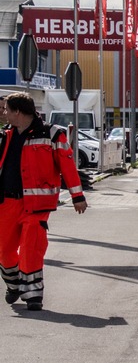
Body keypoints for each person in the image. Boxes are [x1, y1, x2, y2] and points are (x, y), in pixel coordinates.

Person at [0, 91, 88, 311]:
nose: (4, 113)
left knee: (31, 248)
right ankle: (15, 285)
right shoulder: (5, 135)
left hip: (36, 205)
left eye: (6, 109)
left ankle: (33, 295)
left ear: (17, 111)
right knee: (4, 250)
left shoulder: (53, 134)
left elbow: (67, 166)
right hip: (7, 203)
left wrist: (78, 196)